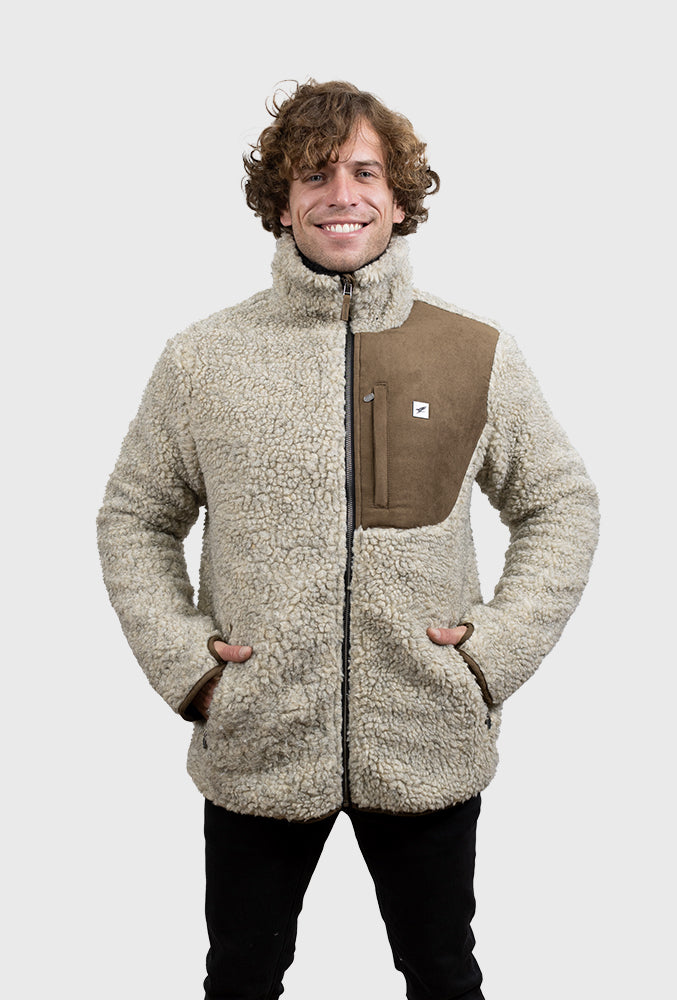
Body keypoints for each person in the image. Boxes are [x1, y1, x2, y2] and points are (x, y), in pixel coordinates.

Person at [97, 79, 599, 1000]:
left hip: (424, 730)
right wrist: (189, 665)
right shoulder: (203, 358)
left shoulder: (473, 351)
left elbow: (560, 502)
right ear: (281, 202)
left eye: (365, 173)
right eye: (314, 174)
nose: (341, 194)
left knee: (442, 974)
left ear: (399, 199)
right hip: (257, 732)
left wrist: (489, 656)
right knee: (240, 977)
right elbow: (135, 516)